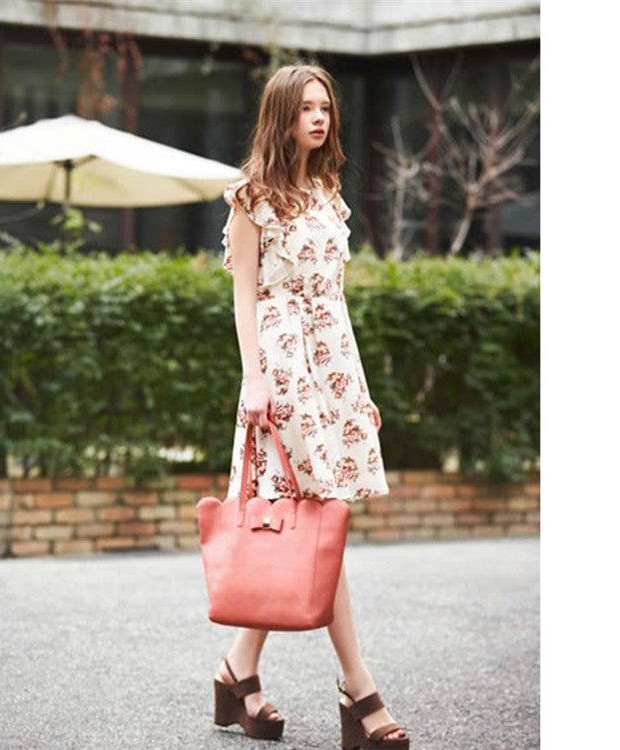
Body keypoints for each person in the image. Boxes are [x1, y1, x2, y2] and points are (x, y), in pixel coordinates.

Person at [214, 64, 409, 748]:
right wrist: (253, 379)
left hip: (330, 366)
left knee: (307, 521)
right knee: (320, 515)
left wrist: (359, 388)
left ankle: (237, 671)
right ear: (281, 117)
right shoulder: (251, 198)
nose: (320, 118)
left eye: (325, 107)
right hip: (280, 367)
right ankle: (359, 689)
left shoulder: (328, 194)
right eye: (306, 109)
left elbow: (336, 300)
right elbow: (243, 297)